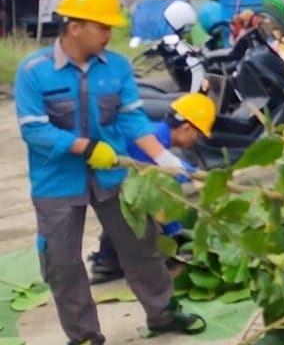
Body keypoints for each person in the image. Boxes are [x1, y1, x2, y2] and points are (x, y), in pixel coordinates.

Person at [14, 0, 206, 345]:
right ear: (75, 27)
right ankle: (85, 341)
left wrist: (162, 156)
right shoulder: (33, 72)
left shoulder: (116, 67)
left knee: (141, 244)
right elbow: (34, 129)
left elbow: (132, 119)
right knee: (62, 262)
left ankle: (163, 313)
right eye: (103, 27)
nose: (109, 35)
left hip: (113, 177)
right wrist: (85, 147)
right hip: (57, 181)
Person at [88, 92, 217, 284]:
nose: (196, 140)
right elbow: (157, 196)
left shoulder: (156, 135)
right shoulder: (149, 142)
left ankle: (112, 259)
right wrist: (177, 234)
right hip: (109, 185)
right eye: (198, 134)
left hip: (112, 183)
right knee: (133, 215)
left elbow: (171, 169)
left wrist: (191, 173)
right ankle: (108, 261)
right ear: (187, 128)